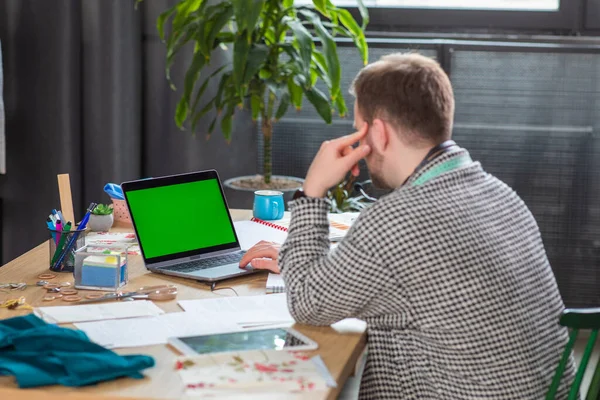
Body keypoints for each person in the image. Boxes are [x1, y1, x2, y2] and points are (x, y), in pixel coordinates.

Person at [239, 53, 574, 399]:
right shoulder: (500, 194)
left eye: (360, 130)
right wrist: (313, 265)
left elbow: (308, 304)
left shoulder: (394, 222)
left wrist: (312, 190)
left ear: (380, 133)